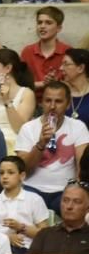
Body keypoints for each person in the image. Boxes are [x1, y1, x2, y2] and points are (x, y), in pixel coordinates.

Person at [15, 81, 89, 212]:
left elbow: (82, 166)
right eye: (48, 100)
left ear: (67, 104)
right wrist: (41, 143)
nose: (52, 106)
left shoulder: (78, 127)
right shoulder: (28, 128)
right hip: (31, 188)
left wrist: (76, 191)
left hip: (64, 191)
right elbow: (23, 169)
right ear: (41, 103)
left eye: (58, 101)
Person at [0, 47, 36, 152]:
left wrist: (7, 101)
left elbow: (20, 128)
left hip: (18, 146)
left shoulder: (26, 93)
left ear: (8, 68)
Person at [0, 155, 50, 253]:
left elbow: (45, 235)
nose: (5, 176)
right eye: (1, 173)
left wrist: (21, 228)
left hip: (27, 249)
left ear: (22, 176)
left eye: (10, 172)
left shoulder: (34, 199)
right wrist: (6, 238)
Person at [20, 6, 70, 94]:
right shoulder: (27, 51)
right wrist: (43, 84)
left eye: (48, 23)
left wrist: (56, 83)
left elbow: (73, 85)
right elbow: (20, 85)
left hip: (59, 103)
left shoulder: (68, 51)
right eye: (39, 22)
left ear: (59, 28)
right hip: (31, 101)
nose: (42, 26)